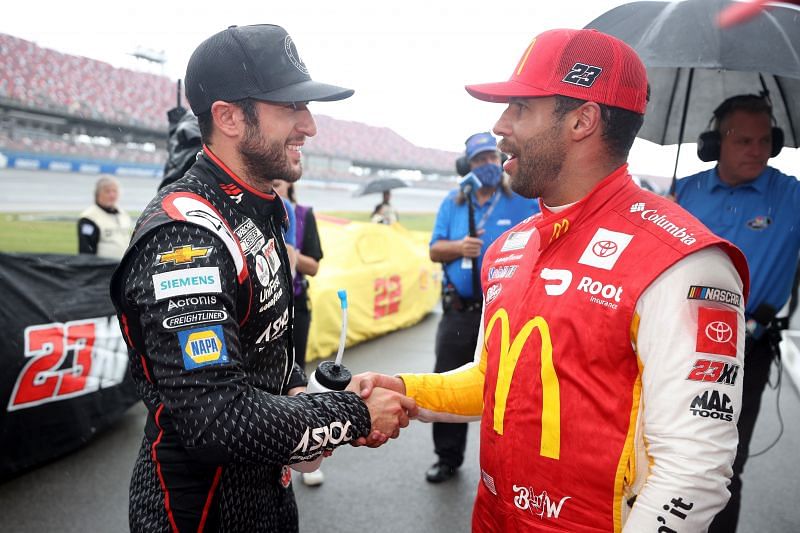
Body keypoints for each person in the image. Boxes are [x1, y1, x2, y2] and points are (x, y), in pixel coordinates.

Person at [356, 28, 750, 531]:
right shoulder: (509, 247)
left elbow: (694, 472)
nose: (500, 125)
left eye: (520, 107)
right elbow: (491, 381)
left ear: (582, 120)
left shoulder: (684, 262)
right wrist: (405, 387)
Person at [109, 24, 416, 533]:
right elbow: (215, 420)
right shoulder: (185, 238)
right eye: (290, 107)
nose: (310, 125)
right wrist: (353, 416)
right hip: (198, 513)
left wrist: (303, 394)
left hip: (268, 497)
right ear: (228, 117)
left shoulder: (258, 207)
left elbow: (266, 353)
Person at [675, 93, 800, 532]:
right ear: (715, 144)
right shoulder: (684, 192)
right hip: (674, 348)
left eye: (765, 141)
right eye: (743, 140)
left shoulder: (791, 196)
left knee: (722, 467)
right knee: (665, 451)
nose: (756, 150)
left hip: (744, 352)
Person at [424, 131, 538, 483]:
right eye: (479, 161)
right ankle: (447, 457)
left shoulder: (521, 198)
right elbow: (434, 249)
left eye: (491, 158)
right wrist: (460, 247)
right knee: (447, 382)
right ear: (466, 167)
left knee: (515, 390)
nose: (488, 165)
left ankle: (512, 465)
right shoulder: (454, 201)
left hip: (509, 312)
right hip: (460, 311)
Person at [273, 178, 326, 486]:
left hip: (295, 304)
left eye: (281, 183)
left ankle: (305, 452)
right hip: (263, 309)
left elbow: (314, 266)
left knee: (296, 375)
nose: (276, 188)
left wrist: (288, 251)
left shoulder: (302, 213)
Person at [77, 175, 132, 259]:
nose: (112, 195)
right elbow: (86, 251)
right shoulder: (89, 218)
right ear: (98, 194)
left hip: (124, 268)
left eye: (115, 191)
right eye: (107, 191)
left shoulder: (123, 215)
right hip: (102, 270)